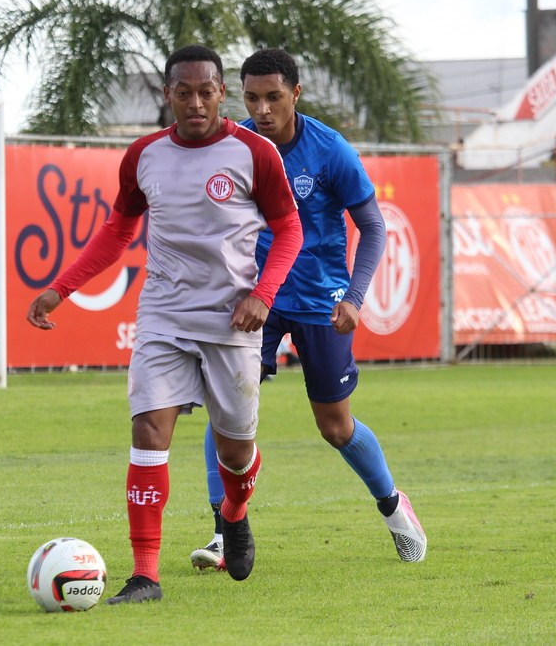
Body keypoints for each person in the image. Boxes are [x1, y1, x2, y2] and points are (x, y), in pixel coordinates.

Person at [26, 45, 304, 604]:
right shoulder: (143, 156)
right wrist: (60, 289)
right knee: (148, 430)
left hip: (232, 321)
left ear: (221, 92)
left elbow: (290, 229)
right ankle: (145, 574)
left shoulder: (256, 153)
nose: (196, 102)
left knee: (235, 452)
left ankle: (235, 511)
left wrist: (262, 295)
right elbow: (117, 231)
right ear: (168, 95)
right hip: (163, 315)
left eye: (206, 91)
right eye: (184, 92)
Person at [190, 48, 426, 570]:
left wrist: (355, 297)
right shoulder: (233, 147)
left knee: (335, 427)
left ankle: (392, 506)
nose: (263, 109)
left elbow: (373, 227)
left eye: (274, 97)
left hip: (321, 301)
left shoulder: (329, 150)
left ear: (295, 93)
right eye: (252, 98)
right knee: (228, 408)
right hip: (257, 298)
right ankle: (222, 531)